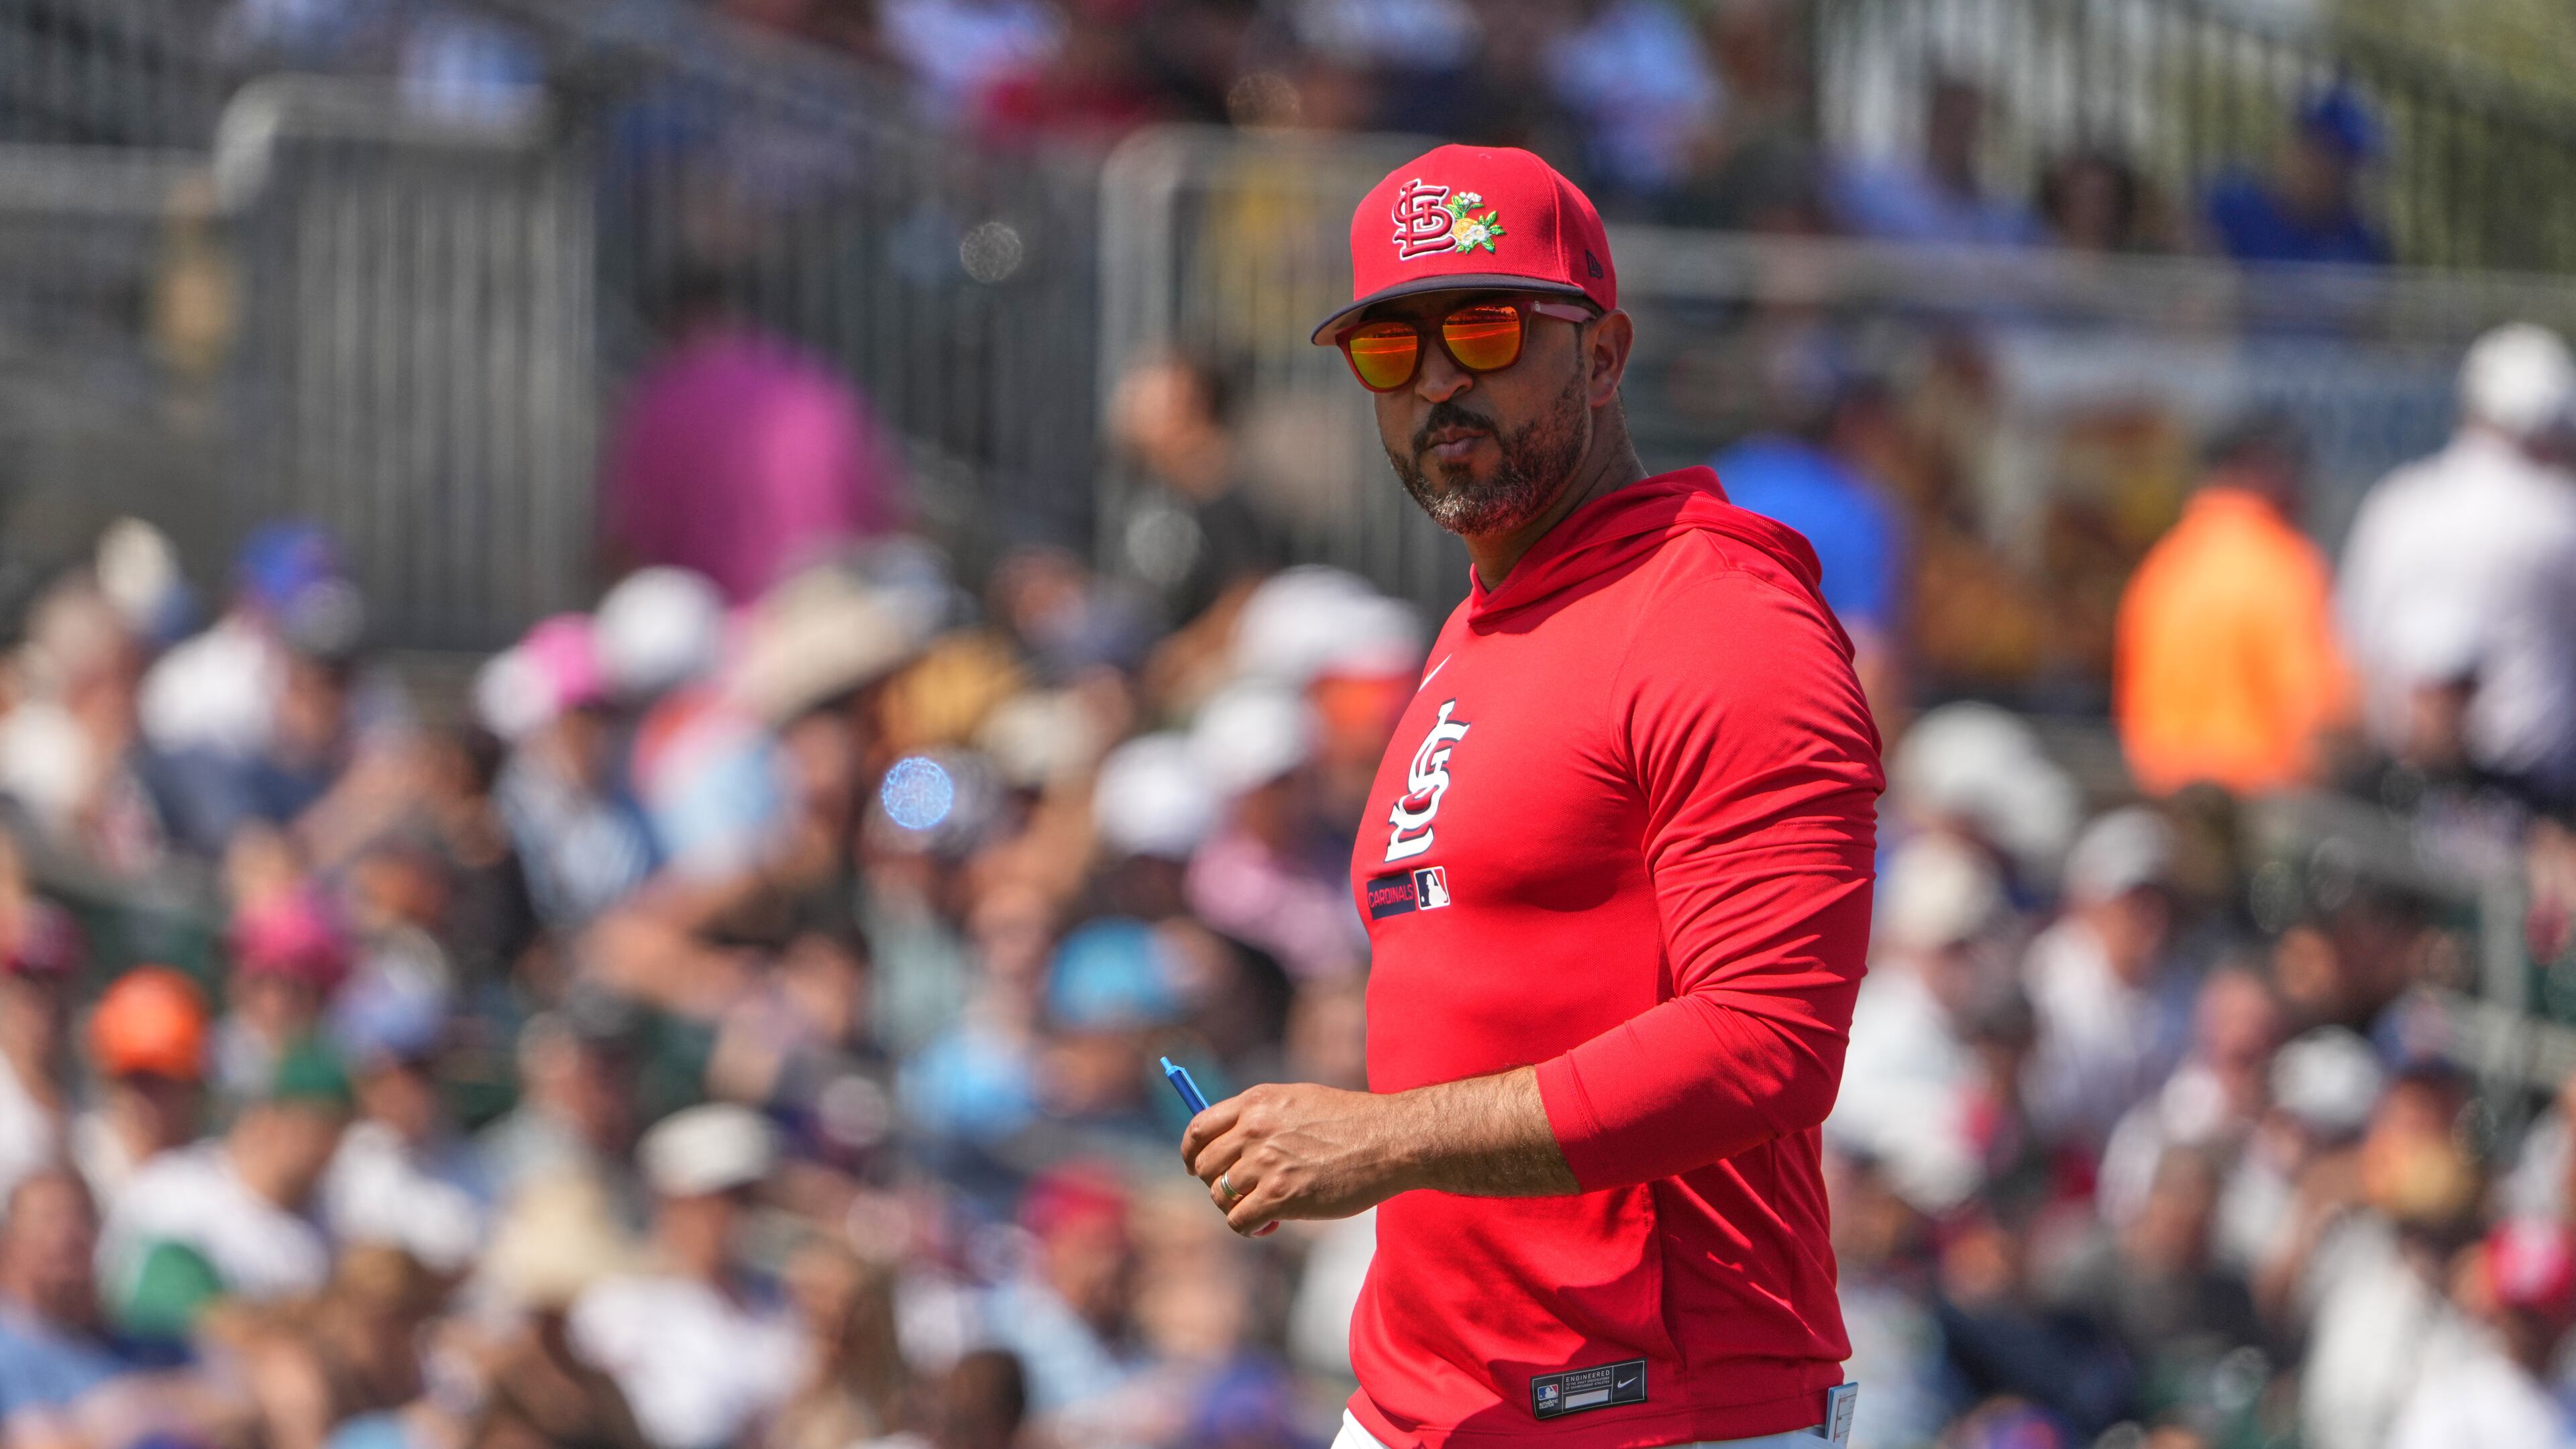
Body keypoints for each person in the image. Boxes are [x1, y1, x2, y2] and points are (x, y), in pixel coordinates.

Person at [1181, 145, 1880, 1448]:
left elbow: (1767, 1044)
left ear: (1604, 357)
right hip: (1422, 1411)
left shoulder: (1721, 620)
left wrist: (1382, 1143)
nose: (1440, 378)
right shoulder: (1484, 623)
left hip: (1657, 1412)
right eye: (1393, 350)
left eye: (1486, 328)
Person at [2339, 323, 2576, 805]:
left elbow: (2353, 639)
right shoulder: (2557, 518)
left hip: (2398, 792)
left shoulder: (2397, 502)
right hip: (2534, 801)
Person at [600, 272, 906, 603]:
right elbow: (888, 515)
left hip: (722, 631)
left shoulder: (663, 396)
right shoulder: (816, 381)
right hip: (830, 619)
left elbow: (627, 544)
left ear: (671, 323)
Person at [2114, 412, 2355, 796]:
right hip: (2257, 817)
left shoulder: (2162, 568)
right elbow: (2320, 722)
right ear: (2258, 470)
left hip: (2168, 810)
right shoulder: (2284, 567)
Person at [567, 1104, 806, 1449]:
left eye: (747, 1199)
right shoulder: (615, 1310)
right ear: (669, 1203)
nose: (734, 1216)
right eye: (718, 1200)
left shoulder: (785, 1302)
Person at [97, 1042, 352, 1338]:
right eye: (311, 1127)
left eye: (335, 1133)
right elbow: (165, 1313)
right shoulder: (173, 1188)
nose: (322, 1148)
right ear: (267, 1116)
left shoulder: (326, 1227)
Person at [2202, 88, 2390, 266]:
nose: (2327, 175)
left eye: (2344, 165)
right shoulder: (2227, 211)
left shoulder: (2357, 240)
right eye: (2320, 155)